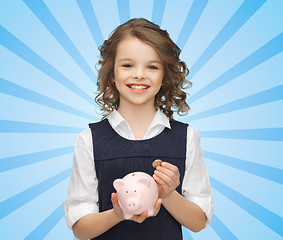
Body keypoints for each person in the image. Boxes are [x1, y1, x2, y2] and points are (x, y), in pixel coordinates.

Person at [64, 18, 213, 240]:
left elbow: (199, 221)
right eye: (128, 65)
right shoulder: (89, 140)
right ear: (112, 73)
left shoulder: (187, 138)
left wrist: (169, 193)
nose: (139, 74)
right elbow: (80, 229)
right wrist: (118, 214)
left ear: (164, 76)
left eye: (152, 66)